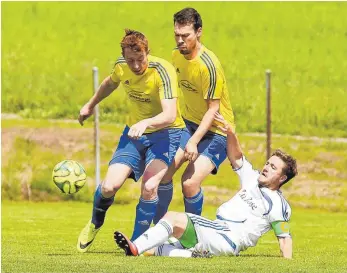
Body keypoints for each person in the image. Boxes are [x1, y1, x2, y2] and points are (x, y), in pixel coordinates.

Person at [114, 112, 297, 259]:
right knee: (158, 247)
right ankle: (192, 255)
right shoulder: (252, 178)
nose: (266, 168)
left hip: (227, 237)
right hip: (217, 232)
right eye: (267, 163)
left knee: (172, 218)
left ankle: (135, 246)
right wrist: (230, 132)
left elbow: (284, 238)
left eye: (273, 167)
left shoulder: (277, 203)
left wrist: (287, 264)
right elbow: (237, 157)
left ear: (282, 178)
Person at [77, 29, 185, 252]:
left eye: (140, 59)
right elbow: (110, 82)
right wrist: (90, 104)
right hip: (134, 134)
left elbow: (169, 115)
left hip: (166, 133)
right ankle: (95, 223)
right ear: (124, 57)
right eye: (130, 60)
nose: (135, 65)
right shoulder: (121, 65)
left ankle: (137, 244)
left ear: (148, 53)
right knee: (108, 186)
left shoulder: (162, 71)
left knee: (150, 185)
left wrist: (146, 123)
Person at [153, 7, 236, 224]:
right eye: (176, 35)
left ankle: (195, 236)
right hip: (189, 124)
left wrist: (193, 142)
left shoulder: (209, 66)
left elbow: (213, 109)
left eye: (185, 36)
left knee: (189, 183)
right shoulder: (175, 56)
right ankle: (157, 232)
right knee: (163, 175)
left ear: (199, 32)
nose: (180, 41)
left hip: (217, 130)